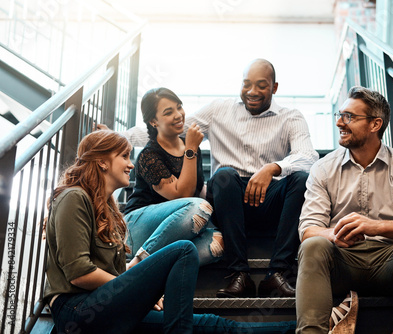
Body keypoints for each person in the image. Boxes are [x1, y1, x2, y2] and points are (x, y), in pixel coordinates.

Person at [100, 59, 318, 297]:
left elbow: (307, 155)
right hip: (229, 197)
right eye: (246, 84)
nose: (252, 91)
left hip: (270, 196)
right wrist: (117, 136)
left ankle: (278, 273)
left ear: (274, 88)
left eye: (261, 85)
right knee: (224, 175)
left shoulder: (291, 117)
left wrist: (272, 169)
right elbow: (169, 129)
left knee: (300, 179)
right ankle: (239, 274)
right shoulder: (219, 110)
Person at [44, 130, 296, 333]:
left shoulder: (109, 210)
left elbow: (113, 275)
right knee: (183, 250)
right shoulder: (73, 197)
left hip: (107, 307)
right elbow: (79, 273)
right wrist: (136, 287)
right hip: (78, 311)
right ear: (101, 161)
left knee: (215, 325)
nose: (131, 165)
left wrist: (141, 292)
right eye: (124, 156)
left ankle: (306, 329)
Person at [295, 86, 393, 333]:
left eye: (349, 117)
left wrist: (376, 226)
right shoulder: (323, 168)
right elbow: (308, 230)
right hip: (343, 261)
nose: (340, 122)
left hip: (392, 262)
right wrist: (334, 234)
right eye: (339, 115)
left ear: (375, 124)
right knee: (313, 245)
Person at [123, 88, 223, 268]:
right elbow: (183, 195)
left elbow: (197, 189)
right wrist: (190, 149)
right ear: (153, 121)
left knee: (217, 243)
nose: (178, 115)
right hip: (138, 225)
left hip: (175, 227)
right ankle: (138, 261)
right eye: (169, 112)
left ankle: (151, 269)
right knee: (199, 208)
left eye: (179, 107)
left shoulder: (191, 147)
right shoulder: (149, 155)